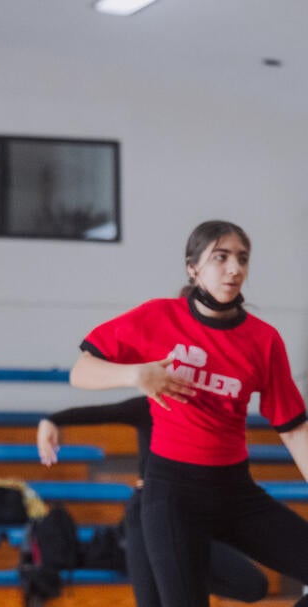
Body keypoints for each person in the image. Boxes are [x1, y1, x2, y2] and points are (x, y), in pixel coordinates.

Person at [68, 220, 308, 607]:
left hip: (236, 492)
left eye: (242, 259)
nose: (235, 268)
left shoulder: (264, 340)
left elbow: (295, 430)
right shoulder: (157, 317)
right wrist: (134, 374)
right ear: (192, 267)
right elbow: (81, 371)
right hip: (173, 495)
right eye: (221, 257)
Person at [37, 396, 268, 606]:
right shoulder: (150, 405)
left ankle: (181, 579)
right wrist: (51, 421)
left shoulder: (210, 410)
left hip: (190, 513)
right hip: (146, 514)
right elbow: (99, 412)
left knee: (252, 585)